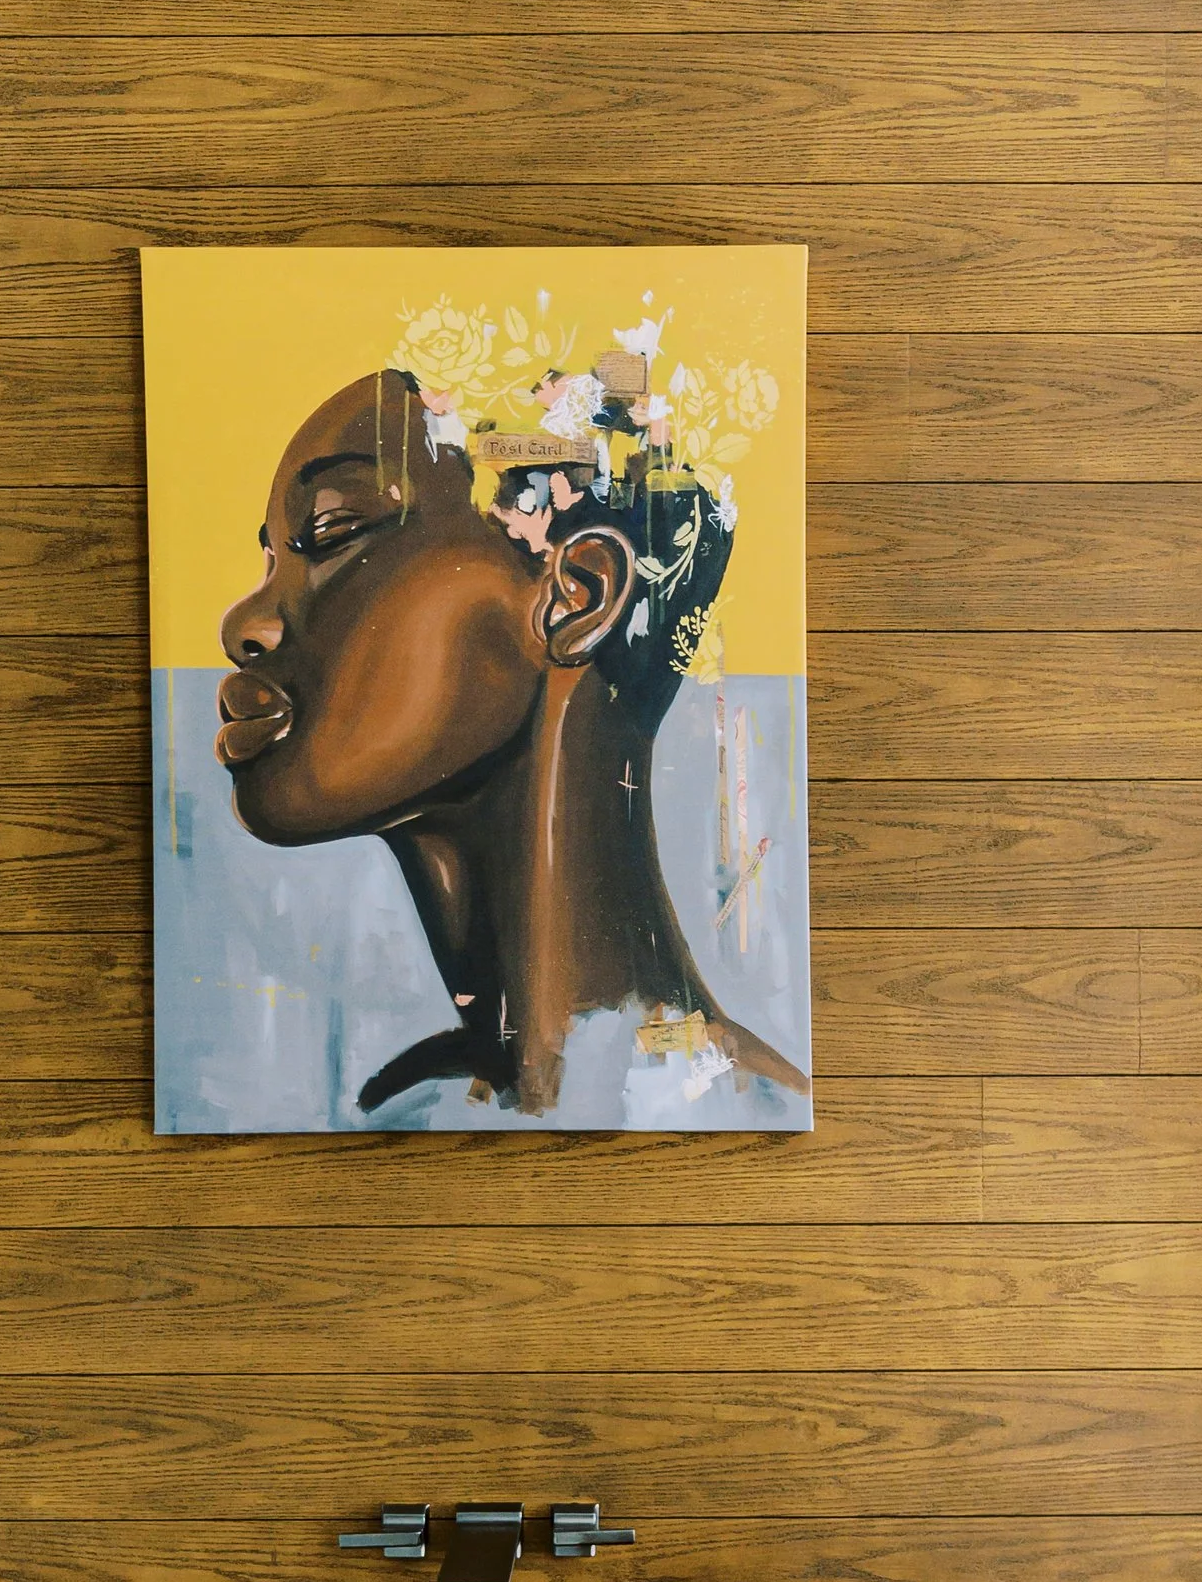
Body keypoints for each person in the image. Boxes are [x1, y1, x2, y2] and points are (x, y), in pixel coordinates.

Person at [214, 348, 808, 1120]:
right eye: (267, 560)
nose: (243, 625)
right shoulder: (406, 1114)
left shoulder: (745, 1119)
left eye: (333, 530)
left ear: (578, 597)